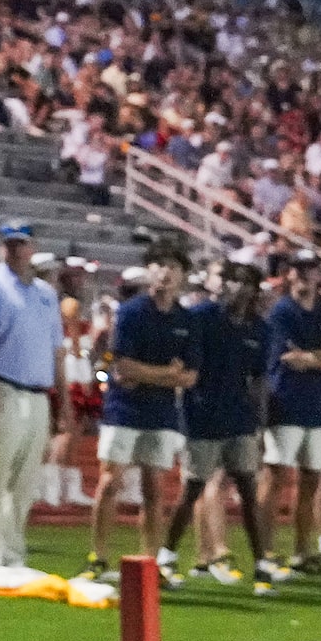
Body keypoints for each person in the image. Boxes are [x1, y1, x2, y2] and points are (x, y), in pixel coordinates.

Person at [86, 249, 197, 582]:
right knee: (110, 482)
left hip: (161, 412)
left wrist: (149, 375)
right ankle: (98, 556)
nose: (165, 272)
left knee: (154, 489)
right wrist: (167, 374)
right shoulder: (132, 312)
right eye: (160, 265)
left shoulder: (185, 320)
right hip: (125, 408)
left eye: (173, 266)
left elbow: (190, 376)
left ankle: (150, 563)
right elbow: (122, 368)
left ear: (182, 275)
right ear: (150, 270)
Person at [0, 220, 64, 571]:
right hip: (1, 386)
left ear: (32, 248)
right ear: (2, 248)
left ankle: (12, 552)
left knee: (24, 480)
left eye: (23, 243)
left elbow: (55, 351)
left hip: (36, 394)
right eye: (11, 244)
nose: (17, 250)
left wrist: (61, 400)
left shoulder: (46, 295)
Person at [169, 258, 273, 589]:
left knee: (247, 489)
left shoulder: (259, 328)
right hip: (203, 413)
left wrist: (260, 424)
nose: (238, 288)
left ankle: (261, 562)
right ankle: (167, 556)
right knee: (193, 487)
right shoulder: (202, 318)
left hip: (240, 417)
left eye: (245, 282)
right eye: (232, 280)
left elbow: (258, 380)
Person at [259, 250, 321, 575]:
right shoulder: (281, 311)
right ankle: (265, 550)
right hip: (286, 401)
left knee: (311, 478)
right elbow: (287, 358)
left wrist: (312, 359)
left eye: (311, 269)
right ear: (291, 273)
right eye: (301, 269)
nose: (307, 275)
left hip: (316, 403)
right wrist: (320, 359)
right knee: (275, 475)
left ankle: (301, 549)